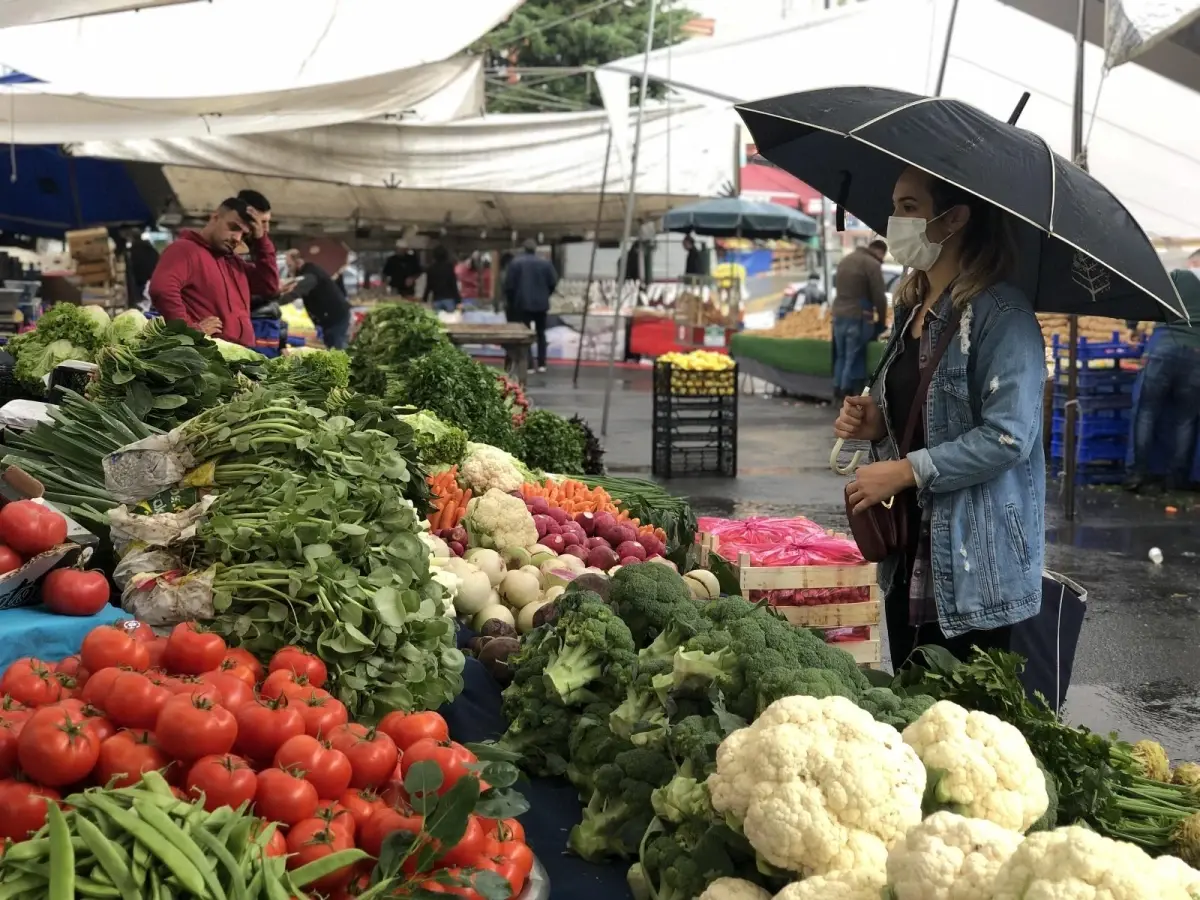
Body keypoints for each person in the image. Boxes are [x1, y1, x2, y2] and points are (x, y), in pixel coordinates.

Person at [833, 165, 1048, 677]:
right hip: (910, 554)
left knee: (965, 730)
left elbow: (1007, 436)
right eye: (895, 206)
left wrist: (905, 470)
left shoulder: (1004, 316)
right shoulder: (912, 308)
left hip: (976, 567)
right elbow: (929, 415)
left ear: (953, 220)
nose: (894, 221)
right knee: (911, 713)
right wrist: (879, 425)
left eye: (909, 208)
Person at [149, 196, 278, 346]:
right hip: (211, 361)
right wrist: (190, 332)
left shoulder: (234, 263)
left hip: (238, 359)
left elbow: (269, 286)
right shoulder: (184, 250)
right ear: (215, 217)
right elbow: (162, 290)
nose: (237, 238)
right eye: (233, 227)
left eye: (244, 234)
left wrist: (260, 240)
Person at [1126, 253, 1200, 492]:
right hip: (1196, 355)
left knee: (1147, 412)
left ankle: (1138, 474)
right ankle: (1177, 480)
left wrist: (1131, 327)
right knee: (1186, 419)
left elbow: (1144, 295)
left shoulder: (1178, 276)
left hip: (1163, 348)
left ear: (1194, 262)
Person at [831, 238, 889, 400]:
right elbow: (879, 297)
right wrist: (882, 322)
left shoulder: (845, 260)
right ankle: (847, 390)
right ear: (879, 252)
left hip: (838, 314)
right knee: (854, 356)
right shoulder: (872, 264)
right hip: (857, 315)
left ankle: (837, 387)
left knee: (841, 355)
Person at [504, 238, 558, 373]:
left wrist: (512, 301)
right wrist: (546, 294)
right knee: (541, 333)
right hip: (541, 303)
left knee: (525, 335)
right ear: (535, 249)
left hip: (522, 303)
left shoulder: (515, 263)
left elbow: (509, 285)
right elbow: (553, 282)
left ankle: (528, 364)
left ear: (523, 249)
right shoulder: (545, 263)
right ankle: (542, 363)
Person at [284, 249, 353, 350]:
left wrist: (277, 299)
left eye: (289, 265)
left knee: (337, 348)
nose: (289, 269)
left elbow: (297, 291)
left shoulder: (310, 275)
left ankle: (347, 364)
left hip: (336, 317)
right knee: (332, 346)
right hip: (331, 317)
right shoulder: (307, 272)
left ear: (298, 262)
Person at [124, 229, 159, 306]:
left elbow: (131, 268)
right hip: (151, 280)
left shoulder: (132, 251)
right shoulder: (151, 249)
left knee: (140, 303)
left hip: (138, 282)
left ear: (132, 238)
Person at [424, 245, 462, 313]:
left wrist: (424, 299)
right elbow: (453, 284)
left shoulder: (431, 268)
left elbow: (428, 285)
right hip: (449, 299)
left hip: (436, 299)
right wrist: (458, 301)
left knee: (438, 321)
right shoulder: (449, 267)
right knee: (450, 320)